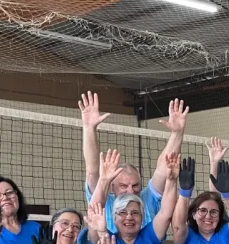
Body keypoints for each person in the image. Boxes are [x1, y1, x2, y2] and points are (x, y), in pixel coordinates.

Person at [80, 93, 188, 230]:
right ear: (112, 186)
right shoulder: (104, 201)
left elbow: (164, 168)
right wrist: (89, 128)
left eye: (135, 185)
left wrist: (177, 133)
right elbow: (92, 170)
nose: (131, 190)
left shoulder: (147, 199)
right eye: (123, 186)